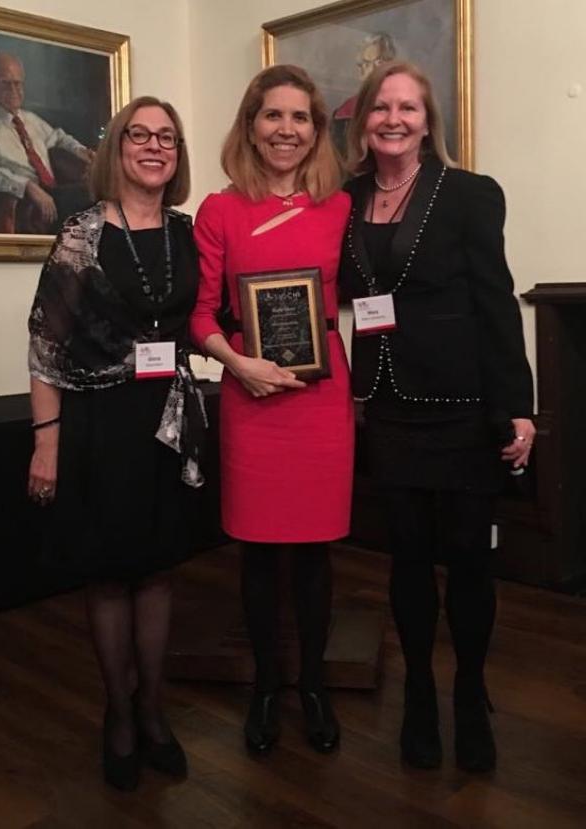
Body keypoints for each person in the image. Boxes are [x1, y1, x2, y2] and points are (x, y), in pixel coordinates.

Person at [339, 61, 535, 773]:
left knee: (471, 566)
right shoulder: (346, 198)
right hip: (386, 410)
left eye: (408, 108)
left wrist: (518, 406)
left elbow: (496, 299)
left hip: (461, 409)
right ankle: (420, 692)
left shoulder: (469, 194)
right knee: (408, 561)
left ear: (428, 120)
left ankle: (469, 693)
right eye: (381, 107)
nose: (393, 118)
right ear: (363, 119)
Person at [27, 95, 205, 791]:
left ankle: (154, 711)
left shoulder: (188, 233)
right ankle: (119, 717)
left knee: (158, 569)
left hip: (169, 422)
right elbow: (45, 347)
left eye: (168, 136)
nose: (155, 146)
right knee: (108, 573)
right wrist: (47, 443)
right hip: (99, 422)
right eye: (141, 134)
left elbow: (209, 318)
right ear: (118, 147)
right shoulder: (81, 232)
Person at [190, 65, 354, 754]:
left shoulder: (340, 207)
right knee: (257, 555)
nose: (286, 130)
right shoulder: (219, 210)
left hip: (321, 398)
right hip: (251, 397)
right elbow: (198, 313)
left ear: (317, 131)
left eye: (300, 118)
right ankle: (264, 689)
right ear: (251, 126)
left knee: (315, 554)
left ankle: (311, 684)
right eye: (272, 116)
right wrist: (238, 362)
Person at [0, 51, 94, 232]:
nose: (14, 91)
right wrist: (24, 185)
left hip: (55, 193)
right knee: (91, 199)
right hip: (27, 202)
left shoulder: (31, 120)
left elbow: (59, 137)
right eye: (6, 84)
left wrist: (80, 151)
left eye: (18, 83)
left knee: (97, 195)